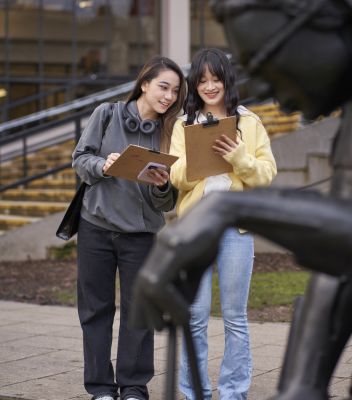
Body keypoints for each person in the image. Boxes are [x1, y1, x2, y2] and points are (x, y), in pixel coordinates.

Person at [72, 55, 186, 400]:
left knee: (140, 311)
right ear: (145, 83)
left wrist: (163, 185)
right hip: (96, 227)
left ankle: (134, 386)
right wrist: (103, 165)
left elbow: (167, 203)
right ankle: (101, 389)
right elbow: (80, 159)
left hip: (141, 235)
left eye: (175, 91)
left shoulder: (171, 132)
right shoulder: (106, 114)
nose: (168, 96)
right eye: (163, 87)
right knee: (95, 310)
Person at [169, 48, 277, 400]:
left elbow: (266, 175)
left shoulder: (249, 122)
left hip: (235, 229)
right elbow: (174, 174)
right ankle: (193, 392)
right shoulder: (183, 126)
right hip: (195, 227)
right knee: (195, 317)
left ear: (226, 81)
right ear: (194, 85)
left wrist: (238, 158)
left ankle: (234, 392)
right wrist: (202, 162)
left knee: (235, 317)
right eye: (202, 81)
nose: (210, 86)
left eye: (216, 79)